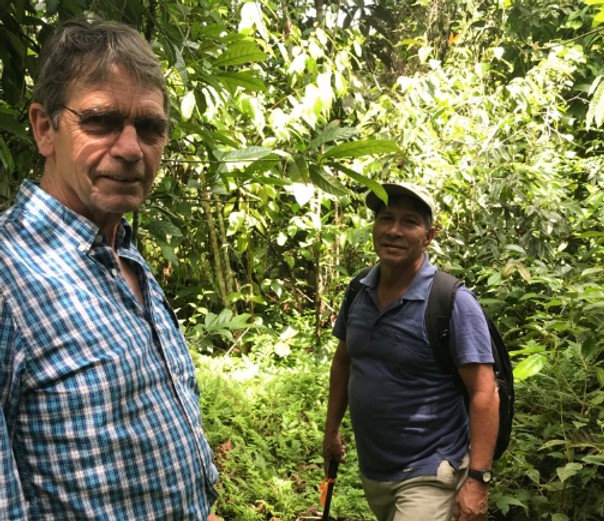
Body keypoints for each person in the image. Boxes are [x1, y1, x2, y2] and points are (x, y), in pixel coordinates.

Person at [0, 17, 220, 520]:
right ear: (43, 128)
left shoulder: (123, 252)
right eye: (99, 121)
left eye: (149, 128)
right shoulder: (8, 276)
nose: (129, 149)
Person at [322, 182, 499, 521]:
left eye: (409, 222)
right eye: (385, 218)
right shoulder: (359, 289)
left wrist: (477, 480)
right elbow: (344, 361)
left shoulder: (452, 302)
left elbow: (484, 391)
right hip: (376, 470)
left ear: (429, 235)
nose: (394, 230)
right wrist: (331, 431)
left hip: (432, 470)